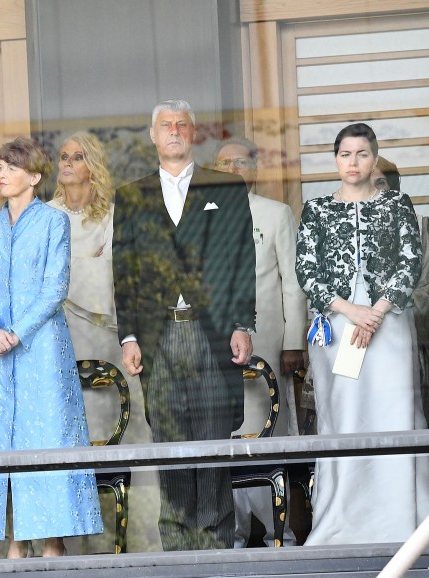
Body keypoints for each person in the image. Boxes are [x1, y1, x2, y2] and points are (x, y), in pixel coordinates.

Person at [112, 100, 256, 552]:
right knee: (169, 439)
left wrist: (240, 323)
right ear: (153, 136)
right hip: (160, 335)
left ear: (193, 133)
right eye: (165, 126)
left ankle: (215, 543)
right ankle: (176, 544)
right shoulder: (132, 193)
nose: (174, 131)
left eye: (181, 125)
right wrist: (129, 336)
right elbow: (125, 268)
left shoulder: (226, 187)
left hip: (211, 331)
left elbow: (240, 260)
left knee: (213, 438)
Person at [296, 123, 429, 545]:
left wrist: (374, 313)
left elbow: (409, 262)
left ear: (373, 159)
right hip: (338, 325)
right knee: (344, 416)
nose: (353, 162)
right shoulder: (316, 209)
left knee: (394, 412)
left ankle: (403, 518)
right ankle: (344, 519)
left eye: (361, 154)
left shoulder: (397, 205)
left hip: (389, 323)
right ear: (335, 160)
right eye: (345, 154)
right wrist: (350, 311)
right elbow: (307, 270)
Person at [0, 137, 104, 559]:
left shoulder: (52, 222)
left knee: (48, 440)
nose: (2, 173)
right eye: (1, 166)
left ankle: (52, 540)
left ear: (35, 177)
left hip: (41, 349)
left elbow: (54, 287)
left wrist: (16, 332)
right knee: (4, 444)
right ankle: (14, 540)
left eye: (11, 167)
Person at [213, 137, 307, 548]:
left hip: (266, 341)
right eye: (223, 163)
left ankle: (277, 532)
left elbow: (293, 284)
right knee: (222, 439)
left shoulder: (276, 213)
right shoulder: (203, 214)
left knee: (267, 435)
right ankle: (230, 534)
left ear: (254, 167)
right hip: (217, 349)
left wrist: (292, 341)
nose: (232, 169)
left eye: (239, 162)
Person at [48, 131, 152, 446]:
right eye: (64, 156)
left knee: (117, 423)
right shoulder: (44, 216)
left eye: (77, 157)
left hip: (106, 333)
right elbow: (41, 281)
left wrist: (68, 270)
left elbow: (119, 274)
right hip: (60, 333)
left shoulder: (113, 214)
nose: (67, 163)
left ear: (92, 166)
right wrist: (90, 263)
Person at [371, 157, 429, 429]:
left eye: (380, 182)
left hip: (409, 344)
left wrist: (388, 315)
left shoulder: (417, 223)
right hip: (362, 344)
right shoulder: (343, 229)